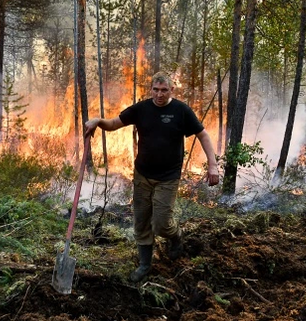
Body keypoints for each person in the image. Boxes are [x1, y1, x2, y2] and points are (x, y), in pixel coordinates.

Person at [85, 72, 219, 283]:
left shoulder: (181, 111)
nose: (159, 94)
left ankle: (176, 237)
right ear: (151, 89)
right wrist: (97, 121)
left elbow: (203, 135)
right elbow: (112, 124)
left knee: (162, 224)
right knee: (141, 222)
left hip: (168, 177)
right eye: (156, 90)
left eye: (164, 90)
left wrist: (213, 165)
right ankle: (145, 264)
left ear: (171, 90)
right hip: (143, 175)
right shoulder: (141, 109)